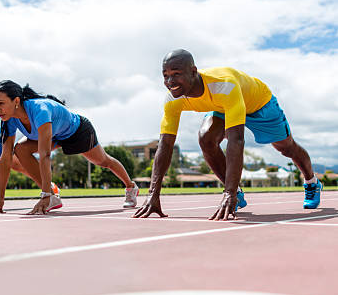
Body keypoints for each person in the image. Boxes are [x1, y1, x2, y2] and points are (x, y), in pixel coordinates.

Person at [133, 49, 322, 221]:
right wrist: (153, 194)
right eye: (165, 76)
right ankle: (237, 192)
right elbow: (165, 145)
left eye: (176, 74)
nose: (170, 82)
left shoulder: (224, 86)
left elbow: (236, 140)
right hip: (223, 107)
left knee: (286, 148)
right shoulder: (173, 99)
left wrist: (228, 193)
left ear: (193, 72)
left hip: (258, 104)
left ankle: (311, 182)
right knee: (206, 138)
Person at [0, 80, 139, 215]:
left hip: (77, 131)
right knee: (20, 149)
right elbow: (6, 157)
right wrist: (0, 197)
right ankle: (52, 195)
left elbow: (45, 155)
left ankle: (131, 187)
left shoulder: (39, 110)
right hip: (56, 135)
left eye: (1, 103)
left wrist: (44, 196)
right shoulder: (8, 120)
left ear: (16, 101)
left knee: (103, 161)